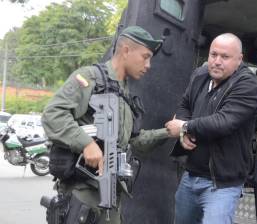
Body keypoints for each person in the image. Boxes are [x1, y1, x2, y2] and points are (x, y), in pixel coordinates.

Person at [41, 26, 169, 224]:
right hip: (82, 191)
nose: (148, 64)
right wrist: (86, 143)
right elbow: (53, 115)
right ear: (126, 50)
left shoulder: (125, 95)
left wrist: (168, 132)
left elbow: (134, 141)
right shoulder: (91, 78)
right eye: (145, 56)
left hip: (111, 195)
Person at [165, 33, 257, 224]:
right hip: (190, 176)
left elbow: (223, 122)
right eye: (213, 55)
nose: (216, 61)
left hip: (222, 185)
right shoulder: (200, 75)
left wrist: (184, 126)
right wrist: (184, 131)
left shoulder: (247, 85)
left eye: (225, 57)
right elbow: (184, 104)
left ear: (239, 59)